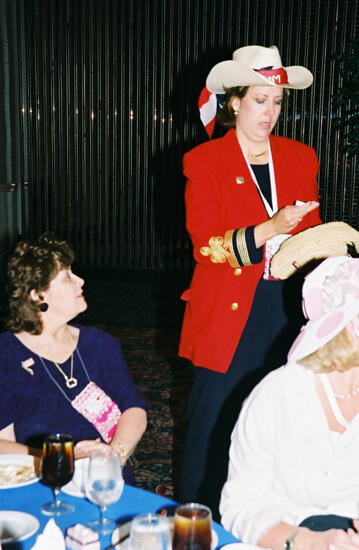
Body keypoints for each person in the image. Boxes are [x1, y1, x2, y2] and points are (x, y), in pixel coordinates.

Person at [178, 44, 322, 517]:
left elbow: (312, 236)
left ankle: (262, 522)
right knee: (213, 423)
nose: (270, 112)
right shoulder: (205, 162)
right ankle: (196, 523)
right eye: (260, 100)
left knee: (277, 421)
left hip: (286, 307)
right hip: (228, 310)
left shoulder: (301, 157)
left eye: (277, 101)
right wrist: (269, 229)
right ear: (235, 102)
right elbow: (205, 247)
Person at [220, 255, 359, 550]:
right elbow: (241, 506)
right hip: (289, 539)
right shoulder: (278, 395)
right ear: (349, 327)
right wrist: (310, 541)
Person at [0, 232, 147, 484]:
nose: (80, 280)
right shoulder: (7, 355)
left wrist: (115, 455)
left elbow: (134, 409)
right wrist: (61, 459)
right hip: (41, 481)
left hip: (105, 479)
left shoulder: (100, 344)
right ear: (38, 295)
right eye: (67, 276)